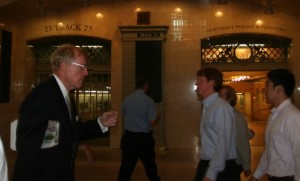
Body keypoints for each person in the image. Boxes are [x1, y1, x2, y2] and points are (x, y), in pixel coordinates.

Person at [13, 44, 118, 181]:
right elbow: (27, 149)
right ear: (64, 65)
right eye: (82, 67)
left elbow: (72, 131)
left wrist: (101, 123)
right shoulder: (42, 96)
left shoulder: (66, 98)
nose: (86, 72)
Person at [250, 69, 300, 181]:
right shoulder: (274, 116)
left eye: (268, 85)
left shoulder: (292, 117)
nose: (265, 89)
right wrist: (256, 176)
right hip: (273, 177)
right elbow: (269, 150)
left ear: (279, 89)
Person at [194, 67, 238, 181]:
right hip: (208, 163)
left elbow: (223, 142)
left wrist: (211, 173)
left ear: (211, 82)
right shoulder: (208, 105)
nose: (196, 83)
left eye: (200, 80)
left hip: (221, 169)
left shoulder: (221, 107)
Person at [118, 77, 160, 181]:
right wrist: (158, 117)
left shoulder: (127, 99)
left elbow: (122, 116)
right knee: (150, 166)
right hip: (144, 139)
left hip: (129, 137)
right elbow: (152, 121)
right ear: (145, 86)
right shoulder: (148, 100)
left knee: (126, 167)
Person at [219, 85, 252, 179]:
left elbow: (242, 142)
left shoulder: (235, 117)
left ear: (229, 98)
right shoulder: (221, 114)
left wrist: (246, 165)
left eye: (221, 96)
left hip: (233, 163)